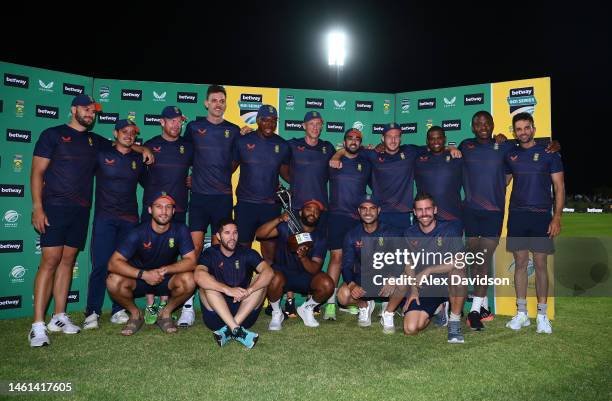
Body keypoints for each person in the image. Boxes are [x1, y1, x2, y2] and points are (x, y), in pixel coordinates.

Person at [28, 94, 153, 347]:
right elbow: (37, 172)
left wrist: (143, 148)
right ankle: (38, 325)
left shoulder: (94, 141)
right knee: (50, 261)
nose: (90, 113)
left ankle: (59, 317)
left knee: (67, 261)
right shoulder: (52, 134)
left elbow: (124, 144)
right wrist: (38, 207)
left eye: (93, 110)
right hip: (54, 206)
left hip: (81, 210)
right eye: (86, 108)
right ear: (74, 109)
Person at [458, 110, 559, 331]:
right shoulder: (467, 146)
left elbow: (555, 181)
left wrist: (554, 144)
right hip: (493, 213)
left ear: (494, 125)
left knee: (536, 264)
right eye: (478, 123)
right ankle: (504, 309)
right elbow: (505, 177)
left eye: (487, 123)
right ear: (473, 127)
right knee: (482, 260)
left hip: (516, 214)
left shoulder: (508, 148)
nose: (483, 126)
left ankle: (540, 316)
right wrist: (450, 149)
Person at [178, 85, 241, 327]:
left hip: (223, 197)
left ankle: (215, 301)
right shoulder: (194, 127)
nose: (218, 104)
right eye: (214, 100)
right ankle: (187, 306)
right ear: (206, 103)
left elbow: (235, 161)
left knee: (217, 252)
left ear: (226, 103)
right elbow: (183, 153)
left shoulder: (233, 130)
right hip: (200, 198)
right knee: (193, 251)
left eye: (222, 100)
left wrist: (221, 175)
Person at [504, 112, 564, 334]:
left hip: (541, 216)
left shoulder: (549, 153)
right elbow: (503, 182)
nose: (523, 132)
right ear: (514, 132)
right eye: (518, 129)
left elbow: (559, 187)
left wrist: (557, 216)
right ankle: (521, 314)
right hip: (518, 215)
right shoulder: (511, 155)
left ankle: (542, 315)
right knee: (520, 264)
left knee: (540, 265)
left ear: (533, 128)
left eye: (526, 127)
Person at [83, 119, 145, 330]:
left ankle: (118, 309)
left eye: (132, 132)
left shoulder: (139, 158)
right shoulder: (101, 155)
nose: (129, 135)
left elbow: (152, 184)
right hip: (104, 219)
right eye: (124, 131)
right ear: (115, 133)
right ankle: (92, 311)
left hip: (129, 221)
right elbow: (79, 175)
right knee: (101, 265)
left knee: (124, 267)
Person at [106, 193, 196, 336]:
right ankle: (136, 315)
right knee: (113, 281)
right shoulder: (138, 232)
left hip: (165, 278)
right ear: (150, 210)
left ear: (173, 211)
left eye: (168, 207)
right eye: (158, 207)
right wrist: (144, 274)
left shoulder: (180, 229)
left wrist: (166, 269)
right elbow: (113, 263)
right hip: (140, 279)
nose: (164, 211)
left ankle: (165, 313)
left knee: (190, 280)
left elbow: (191, 261)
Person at [282, 111, 334, 317]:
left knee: (317, 253)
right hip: (297, 209)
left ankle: (315, 300)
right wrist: (293, 183)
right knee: (293, 252)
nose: (315, 127)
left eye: (318, 124)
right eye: (311, 123)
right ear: (304, 125)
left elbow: (341, 157)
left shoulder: (327, 147)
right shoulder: (293, 145)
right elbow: (282, 166)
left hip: (321, 210)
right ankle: (290, 300)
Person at [194, 218, 274, 348]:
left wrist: (249, 290)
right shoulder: (210, 253)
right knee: (207, 284)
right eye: (227, 233)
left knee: (261, 281)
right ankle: (236, 330)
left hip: (244, 314)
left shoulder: (248, 253)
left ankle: (230, 329)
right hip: (216, 316)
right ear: (218, 236)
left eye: (235, 233)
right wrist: (227, 289)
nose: (232, 237)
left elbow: (269, 272)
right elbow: (198, 276)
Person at [256, 200, 334, 330]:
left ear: (319, 216)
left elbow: (315, 268)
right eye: (309, 209)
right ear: (301, 212)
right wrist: (279, 219)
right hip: (282, 273)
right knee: (272, 277)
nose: (312, 213)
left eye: (316, 211)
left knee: (327, 284)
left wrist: (303, 258)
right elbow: (260, 234)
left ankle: (306, 308)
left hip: (305, 277)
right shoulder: (287, 226)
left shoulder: (320, 237)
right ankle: (277, 313)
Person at [402, 193, 467, 343]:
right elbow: (408, 264)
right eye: (420, 210)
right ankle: (439, 309)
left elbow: (460, 261)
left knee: (458, 274)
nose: (424, 213)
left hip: (447, 283)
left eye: (428, 209)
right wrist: (413, 289)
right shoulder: (409, 233)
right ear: (414, 212)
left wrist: (429, 269)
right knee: (410, 329)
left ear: (435, 210)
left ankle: (454, 322)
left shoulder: (449, 230)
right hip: (425, 287)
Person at [323, 128, 371, 320]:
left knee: (355, 260)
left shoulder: (366, 162)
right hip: (336, 216)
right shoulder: (333, 161)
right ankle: (330, 304)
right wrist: (338, 153)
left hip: (357, 218)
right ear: (344, 142)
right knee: (336, 258)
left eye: (357, 139)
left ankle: (351, 299)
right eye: (350, 138)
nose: (354, 141)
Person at [234, 105, 290, 263]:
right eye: (265, 120)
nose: (270, 124)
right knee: (243, 250)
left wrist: (302, 184)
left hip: (270, 205)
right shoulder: (243, 141)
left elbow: (286, 174)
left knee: (270, 252)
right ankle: (242, 285)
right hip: (246, 204)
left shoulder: (283, 145)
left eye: (273, 121)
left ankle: (268, 287)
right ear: (258, 120)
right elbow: (229, 168)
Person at [337, 195, 401, 330]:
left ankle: (388, 313)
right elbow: (346, 265)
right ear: (359, 212)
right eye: (364, 209)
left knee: (403, 281)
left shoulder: (391, 232)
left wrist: (393, 277)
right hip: (362, 281)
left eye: (372, 208)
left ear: (378, 210)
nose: (368, 212)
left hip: (385, 281)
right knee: (343, 296)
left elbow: (400, 259)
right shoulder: (352, 235)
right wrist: (352, 284)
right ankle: (364, 306)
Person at [140, 106, 193, 225]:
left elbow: (201, 167)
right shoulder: (150, 145)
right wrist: (153, 186)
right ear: (162, 122)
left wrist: (194, 178)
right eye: (172, 121)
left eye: (180, 121)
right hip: (153, 209)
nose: (177, 125)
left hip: (177, 208)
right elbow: (139, 174)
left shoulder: (189, 146)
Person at [414, 126, 463, 223]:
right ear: (427, 141)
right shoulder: (418, 160)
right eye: (432, 139)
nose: (436, 142)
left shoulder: (457, 157)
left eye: (439, 138)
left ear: (444, 139)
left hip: (451, 216)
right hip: (426, 218)